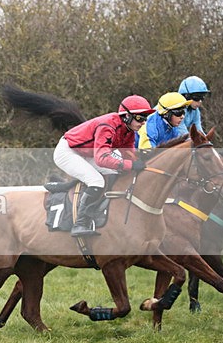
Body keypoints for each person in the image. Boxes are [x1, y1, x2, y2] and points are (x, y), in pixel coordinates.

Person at [54, 95, 154, 237]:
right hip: (68, 151)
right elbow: (102, 158)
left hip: (87, 153)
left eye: (145, 118)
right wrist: (130, 165)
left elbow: (128, 154)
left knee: (116, 173)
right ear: (126, 116)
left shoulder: (128, 130)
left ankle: (98, 209)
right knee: (97, 181)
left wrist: (143, 162)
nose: (143, 122)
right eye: (140, 118)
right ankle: (80, 224)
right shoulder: (108, 126)